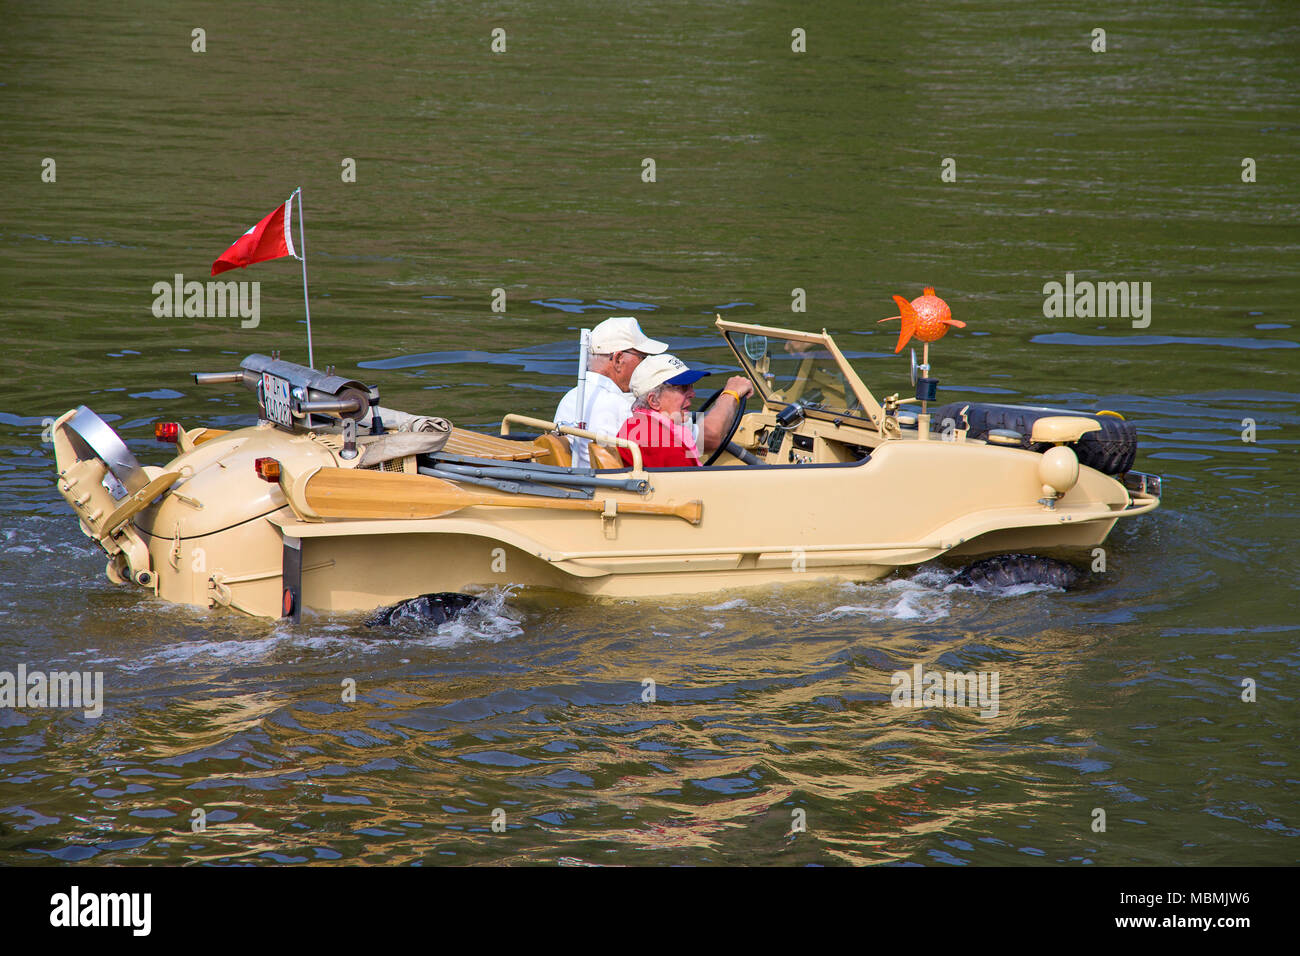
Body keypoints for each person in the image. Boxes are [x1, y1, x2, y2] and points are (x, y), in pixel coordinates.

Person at [554, 316, 667, 468]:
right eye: (643, 358)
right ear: (618, 359)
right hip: (606, 488)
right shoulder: (623, 407)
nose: (647, 365)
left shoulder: (569, 397)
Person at [616, 354, 754, 467]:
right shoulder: (662, 443)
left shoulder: (635, 424)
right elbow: (694, 488)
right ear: (654, 401)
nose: (692, 393)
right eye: (682, 387)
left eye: (691, 386)